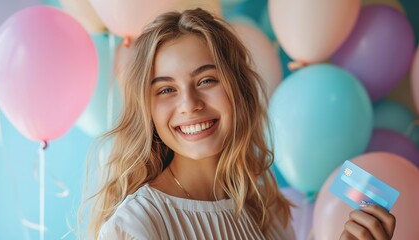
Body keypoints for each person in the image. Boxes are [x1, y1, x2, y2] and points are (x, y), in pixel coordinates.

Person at [85, 8, 396, 240]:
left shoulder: (265, 212)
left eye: (206, 80)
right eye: (166, 89)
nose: (190, 104)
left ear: (238, 91)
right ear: (147, 110)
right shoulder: (137, 225)